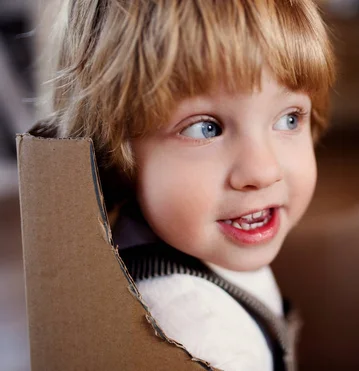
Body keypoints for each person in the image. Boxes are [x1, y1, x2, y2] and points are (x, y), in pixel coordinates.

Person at [32, 1, 335, 370]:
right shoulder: (201, 332)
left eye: (289, 119)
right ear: (117, 147)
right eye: (205, 127)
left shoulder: (193, 238)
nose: (263, 171)